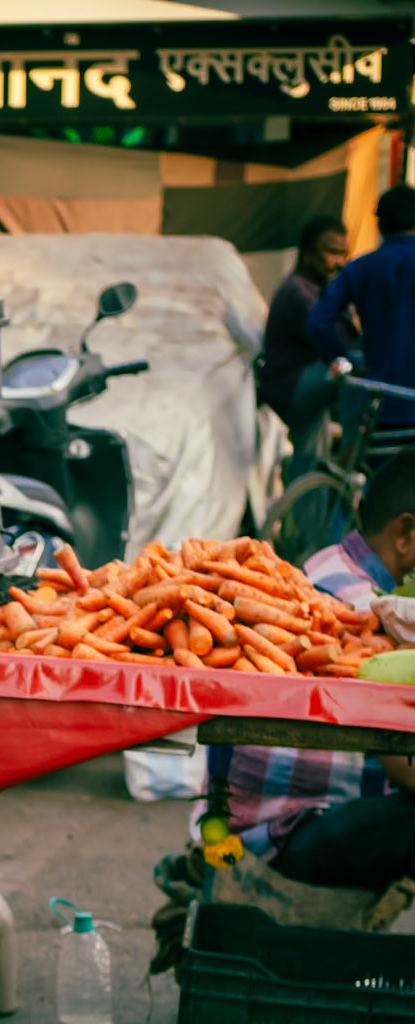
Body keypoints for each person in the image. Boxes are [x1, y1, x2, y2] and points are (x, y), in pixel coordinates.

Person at [207, 450, 415, 893]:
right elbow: (405, 772)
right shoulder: (370, 612)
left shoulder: (329, 562)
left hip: (241, 826)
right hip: (278, 840)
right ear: (405, 533)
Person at [307, 184, 415, 444]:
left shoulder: (360, 268)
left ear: (378, 223)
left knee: (380, 479)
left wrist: (345, 362)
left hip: (381, 398)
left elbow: (317, 323)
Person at [258, 214, 352, 463]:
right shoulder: (297, 292)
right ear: (308, 253)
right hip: (291, 388)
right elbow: (337, 338)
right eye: (331, 252)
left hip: (302, 384)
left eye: (343, 253)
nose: (339, 261)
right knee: (353, 367)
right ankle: (353, 445)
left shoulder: (319, 288)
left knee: (310, 461)